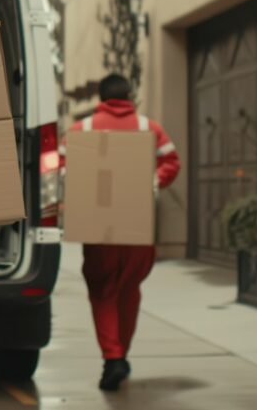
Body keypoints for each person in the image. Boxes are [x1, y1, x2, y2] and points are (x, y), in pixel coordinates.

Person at [60, 73, 181, 392]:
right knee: (129, 290)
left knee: (103, 291)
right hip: (137, 227)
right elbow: (172, 162)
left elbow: (60, 169)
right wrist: (152, 181)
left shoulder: (80, 129)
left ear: (100, 98)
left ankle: (113, 357)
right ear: (130, 96)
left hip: (99, 229)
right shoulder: (149, 128)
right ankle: (121, 354)